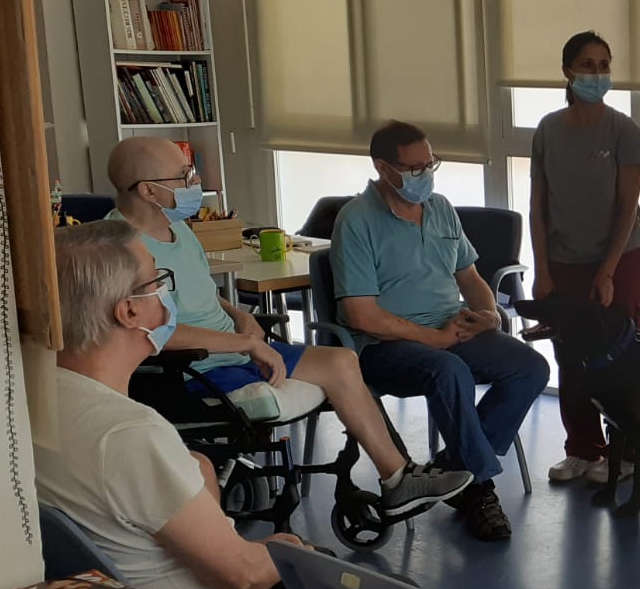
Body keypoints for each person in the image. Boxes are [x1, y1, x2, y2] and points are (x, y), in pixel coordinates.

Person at [104, 137, 472, 516]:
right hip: (192, 368)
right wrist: (243, 344)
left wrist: (239, 315)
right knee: (339, 364)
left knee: (342, 361)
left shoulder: (178, 229)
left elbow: (202, 295)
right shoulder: (119, 248)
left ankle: (398, 480)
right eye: (184, 176)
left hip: (231, 347)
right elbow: (153, 333)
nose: (194, 183)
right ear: (148, 190)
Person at [37, 220, 311, 589]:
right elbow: (244, 573)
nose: (167, 295)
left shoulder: (35, 397)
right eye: (157, 281)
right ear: (128, 312)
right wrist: (291, 549)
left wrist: (195, 469)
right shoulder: (129, 432)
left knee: (202, 463)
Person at [332, 120, 552, 541]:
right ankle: (480, 488)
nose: (425, 175)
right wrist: (434, 339)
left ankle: (453, 469)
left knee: (530, 368)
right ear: (383, 167)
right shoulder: (356, 220)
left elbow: (470, 279)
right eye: (413, 168)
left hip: (452, 331)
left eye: (430, 164)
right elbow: (361, 315)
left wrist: (490, 315)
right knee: (449, 371)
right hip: (385, 345)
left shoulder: (441, 208)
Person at [530, 31, 640, 484]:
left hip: (623, 258)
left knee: (626, 354)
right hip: (565, 261)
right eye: (587, 64)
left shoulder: (622, 130)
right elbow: (537, 206)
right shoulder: (548, 130)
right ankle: (583, 448)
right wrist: (542, 270)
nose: (597, 73)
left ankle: (629, 452)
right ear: (567, 72)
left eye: (604, 65)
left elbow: (628, 208)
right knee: (571, 355)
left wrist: (607, 271)